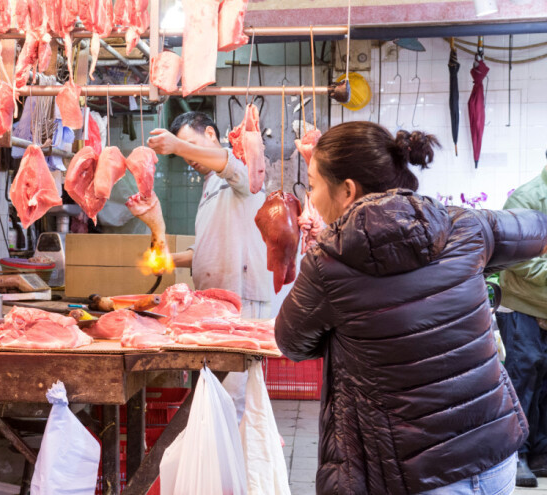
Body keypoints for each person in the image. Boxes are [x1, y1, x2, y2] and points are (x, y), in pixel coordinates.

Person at [275, 120, 547, 494]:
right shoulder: (465, 225)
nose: (311, 195)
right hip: (494, 456)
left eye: (314, 183)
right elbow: (539, 230)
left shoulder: (329, 264)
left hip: (416, 474)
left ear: (347, 191)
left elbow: (291, 343)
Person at [146, 111, 271, 319]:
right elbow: (208, 250)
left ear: (210, 133)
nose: (188, 157)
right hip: (216, 302)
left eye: (191, 145)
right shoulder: (210, 184)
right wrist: (169, 259)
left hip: (243, 302)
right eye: (183, 152)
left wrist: (177, 146)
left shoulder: (241, 163)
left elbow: (228, 163)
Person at [496, 161, 547, 487]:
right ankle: (515, 455)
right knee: (523, 377)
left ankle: (541, 451)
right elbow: (519, 258)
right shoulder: (527, 200)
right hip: (522, 307)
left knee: (544, 381)